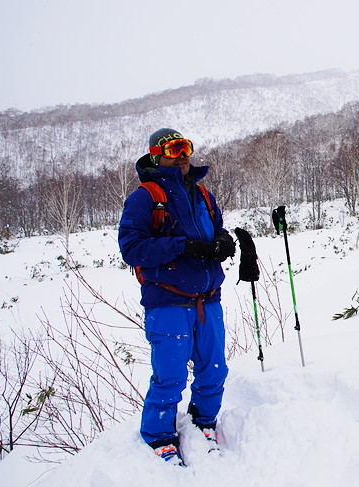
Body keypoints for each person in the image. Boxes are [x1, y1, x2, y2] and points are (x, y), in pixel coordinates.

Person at [118, 128, 235, 466]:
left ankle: (204, 422)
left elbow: (216, 229)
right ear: (157, 155)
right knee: (169, 376)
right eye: (173, 148)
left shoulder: (203, 195)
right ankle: (159, 436)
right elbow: (132, 248)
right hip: (168, 302)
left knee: (214, 370)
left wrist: (223, 242)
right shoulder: (145, 197)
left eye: (186, 147)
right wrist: (183, 246)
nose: (182, 155)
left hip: (208, 299)